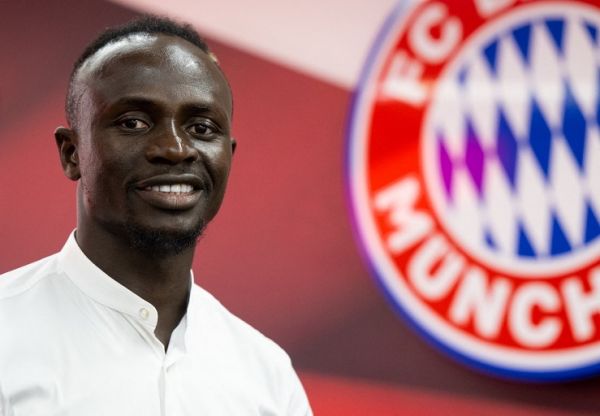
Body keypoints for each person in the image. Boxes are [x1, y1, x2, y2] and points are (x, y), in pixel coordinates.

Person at [0, 15, 312, 416]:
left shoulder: (266, 375)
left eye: (201, 127)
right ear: (72, 152)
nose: (176, 148)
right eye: (134, 122)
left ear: (229, 157)